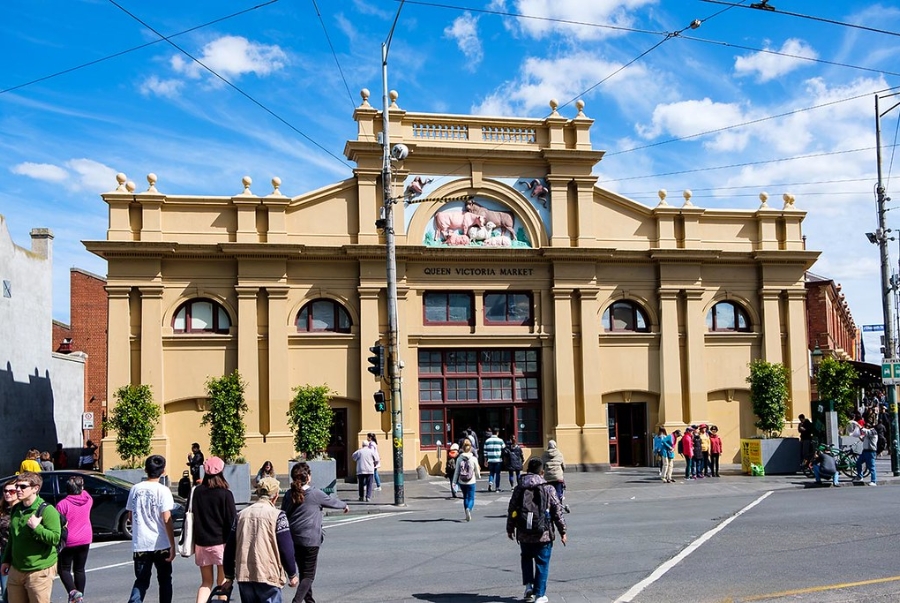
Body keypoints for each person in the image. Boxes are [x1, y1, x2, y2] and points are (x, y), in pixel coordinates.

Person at [223, 477, 298, 603]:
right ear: (275, 496)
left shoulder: (240, 515)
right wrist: (292, 574)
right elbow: (286, 547)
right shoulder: (278, 515)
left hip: (245, 574)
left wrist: (229, 576)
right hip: (268, 574)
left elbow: (230, 548)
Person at [282, 462, 349, 603]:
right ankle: (297, 601)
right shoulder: (314, 493)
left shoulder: (289, 494)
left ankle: (310, 600)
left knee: (303, 571)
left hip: (293, 538)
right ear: (308, 477)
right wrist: (344, 505)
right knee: (309, 575)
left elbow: (284, 513)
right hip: (311, 540)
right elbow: (332, 502)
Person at [506, 458, 567, 603]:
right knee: (542, 562)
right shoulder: (548, 488)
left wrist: (510, 528)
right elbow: (557, 511)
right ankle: (540, 595)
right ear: (542, 472)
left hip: (524, 532)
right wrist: (563, 531)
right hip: (543, 533)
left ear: (527, 471)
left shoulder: (520, 487)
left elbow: (512, 508)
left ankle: (528, 587)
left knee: (526, 558)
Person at [0, 471, 62, 603]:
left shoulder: (47, 510)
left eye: (23, 487)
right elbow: (12, 537)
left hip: (39, 570)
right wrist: (6, 560)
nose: (18, 490)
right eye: (17, 486)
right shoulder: (16, 509)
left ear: (35, 489)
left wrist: (37, 528)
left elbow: (55, 538)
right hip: (17, 569)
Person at [126, 455, 175, 603]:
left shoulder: (135, 489)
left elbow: (130, 515)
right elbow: (166, 518)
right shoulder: (163, 491)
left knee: (141, 581)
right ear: (163, 471)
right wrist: (172, 544)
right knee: (165, 580)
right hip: (161, 542)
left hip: (141, 543)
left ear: (146, 469)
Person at [191, 456, 236, 603]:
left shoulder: (197, 492)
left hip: (201, 543)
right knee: (222, 582)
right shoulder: (225, 494)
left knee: (206, 582)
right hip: (221, 543)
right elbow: (232, 522)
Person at [56, 475, 93, 603]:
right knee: (79, 568)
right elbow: (84, 491)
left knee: (63, 568)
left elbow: (58, 523)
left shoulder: (63, 504)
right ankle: (80, 596)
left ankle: (73, 592)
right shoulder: (88, 499)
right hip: (85, 538)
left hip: (69, 540)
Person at [0, 478, 20, 602]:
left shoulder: (22, 510)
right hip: (4, 555)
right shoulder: (2, 510)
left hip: (19, 556)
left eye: (11, 491)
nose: (7, 493)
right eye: (5, 491)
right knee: (6, 591)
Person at [452, 439, 481, 522]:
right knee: (471, 498)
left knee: (465, 497)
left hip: (462, 481)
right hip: (471, 481)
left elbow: (457, 471)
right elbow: (477, 470)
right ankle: (469, 508)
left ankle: (466, 512)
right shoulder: (474, 458)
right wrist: (478, 476)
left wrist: (454, 482)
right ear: (470, 448)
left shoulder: (459, 459)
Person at [541, 441, 568, 513]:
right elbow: (564, 466)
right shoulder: (559, 454)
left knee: (548, 493)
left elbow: (542, 467)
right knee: (558, 493)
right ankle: (559, 508)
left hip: (548, 478)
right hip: (558, 477)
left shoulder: (544, 455)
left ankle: (549, 507)